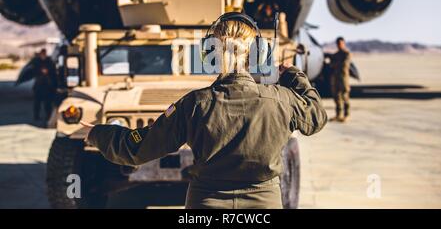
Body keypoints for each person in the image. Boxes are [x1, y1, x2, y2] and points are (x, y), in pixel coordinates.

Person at [82, 12, 327, 209]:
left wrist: (100, 134)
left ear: (210, 53)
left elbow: (137, 148)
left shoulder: (194, 104)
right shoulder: (282, 100)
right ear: (255, 56)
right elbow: (316, 115)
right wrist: (294, 75)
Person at [329, 37, 351, 123]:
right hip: (335, 78)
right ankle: (338, 115)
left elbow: (344, 65)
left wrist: (335, 64)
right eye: (338, 43)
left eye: (341, 43)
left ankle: (346, 115)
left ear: (344, 43)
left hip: (343, 78)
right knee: (336, 96)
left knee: (345, 96)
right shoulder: (336, 55)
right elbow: (331, 65)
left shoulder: (346, 53)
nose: (339, 45)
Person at [32, 48, 57, 122]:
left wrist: (47, 71)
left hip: (47, 86)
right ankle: (36, 116)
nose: (43, 55)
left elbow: (53, 72)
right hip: (39, 85)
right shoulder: (36, 62)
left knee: (47, 103)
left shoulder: (49, 62)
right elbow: (34, 71)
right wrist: (40, 71)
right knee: (37, 103)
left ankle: (48, 116)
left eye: (44, 54)